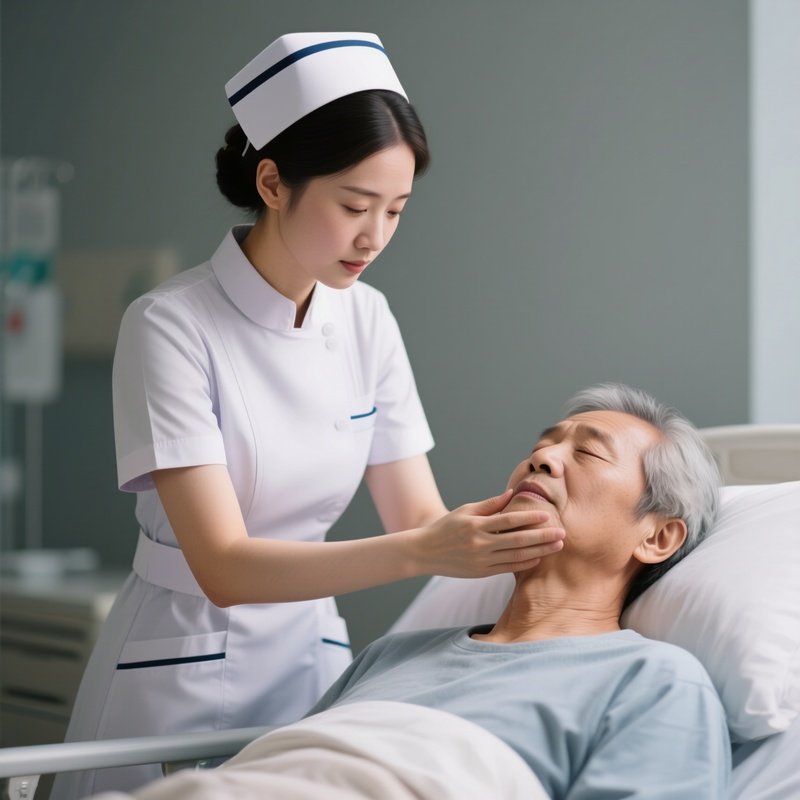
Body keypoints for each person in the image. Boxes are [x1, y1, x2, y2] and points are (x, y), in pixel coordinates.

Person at [52, 32, 565, 799]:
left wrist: (519, 533)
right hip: (180, 668)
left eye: (396, 210)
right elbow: (222, 566)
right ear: (272, 181)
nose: (376, 237)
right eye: (354, 205)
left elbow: (416, 515)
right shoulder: (170, 325)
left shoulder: (369, 320)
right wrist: (429, 549)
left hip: (312, 662)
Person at [84, 383, 731, 800]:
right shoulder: (391, 656)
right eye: (541, 445)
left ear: (658, 537)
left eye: (586, 454)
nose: (541, 459)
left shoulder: (654, 681)